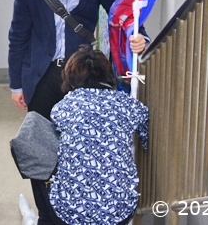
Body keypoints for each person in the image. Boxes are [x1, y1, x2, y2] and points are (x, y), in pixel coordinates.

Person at [7, 0, 147, 224]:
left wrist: (140, 37)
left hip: (81, 72)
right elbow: (17, 41)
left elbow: (121, 13)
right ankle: (48, 215)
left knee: (84, 142)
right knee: (37, 144)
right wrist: (16, 85)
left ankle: (82, 203)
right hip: (43, 75)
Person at [48, 46, 148, 225]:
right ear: (108, 75)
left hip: (70, 210)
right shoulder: (130, 106)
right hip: (118, 210)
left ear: (71, 79)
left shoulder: (62, 108)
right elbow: (147, 141)